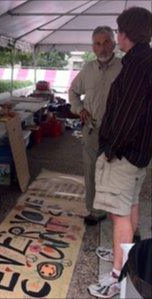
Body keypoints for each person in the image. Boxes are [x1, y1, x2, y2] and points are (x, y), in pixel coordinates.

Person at [88, 6, 152, 298]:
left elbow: (129, 115)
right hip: (138, 155)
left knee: (119, 214)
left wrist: (110, 149)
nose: (115, 37)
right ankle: (127, 256)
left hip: (125, 155)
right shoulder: (144, 61)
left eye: (116, 32)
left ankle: (118, 275)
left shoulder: (138, 65)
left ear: (124, 34)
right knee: (130, 204)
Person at [69, 26, 122, 225]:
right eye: (98, 44)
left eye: (106, 42)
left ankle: (116, 210)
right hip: (92, 128)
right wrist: (78, 109)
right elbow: (73, 92)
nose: (102, 48)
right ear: (92, 47)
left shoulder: (124, 67)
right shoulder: (87, 69)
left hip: (117, 131)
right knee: (91, 169)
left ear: (114, 43)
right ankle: (94, 210)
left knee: (113, 170)